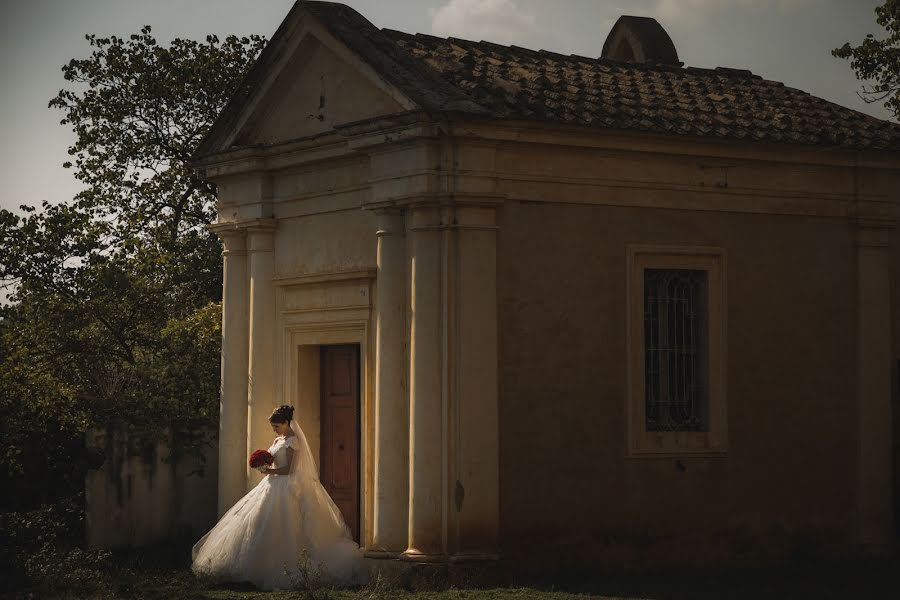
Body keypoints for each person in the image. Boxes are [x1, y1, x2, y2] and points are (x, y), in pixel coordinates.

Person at [191, 405, 367, 590]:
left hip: (287, 486)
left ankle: (285, 567)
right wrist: (263, 465)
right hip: (271, 484)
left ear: (285, 422)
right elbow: (274, 460)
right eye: (273, 427)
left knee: (286, 524)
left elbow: (290, 469)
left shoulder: (293, 441)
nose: (274, 430)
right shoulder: (278, 440)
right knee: (258, 520)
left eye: (276, 426)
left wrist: (269, 471)